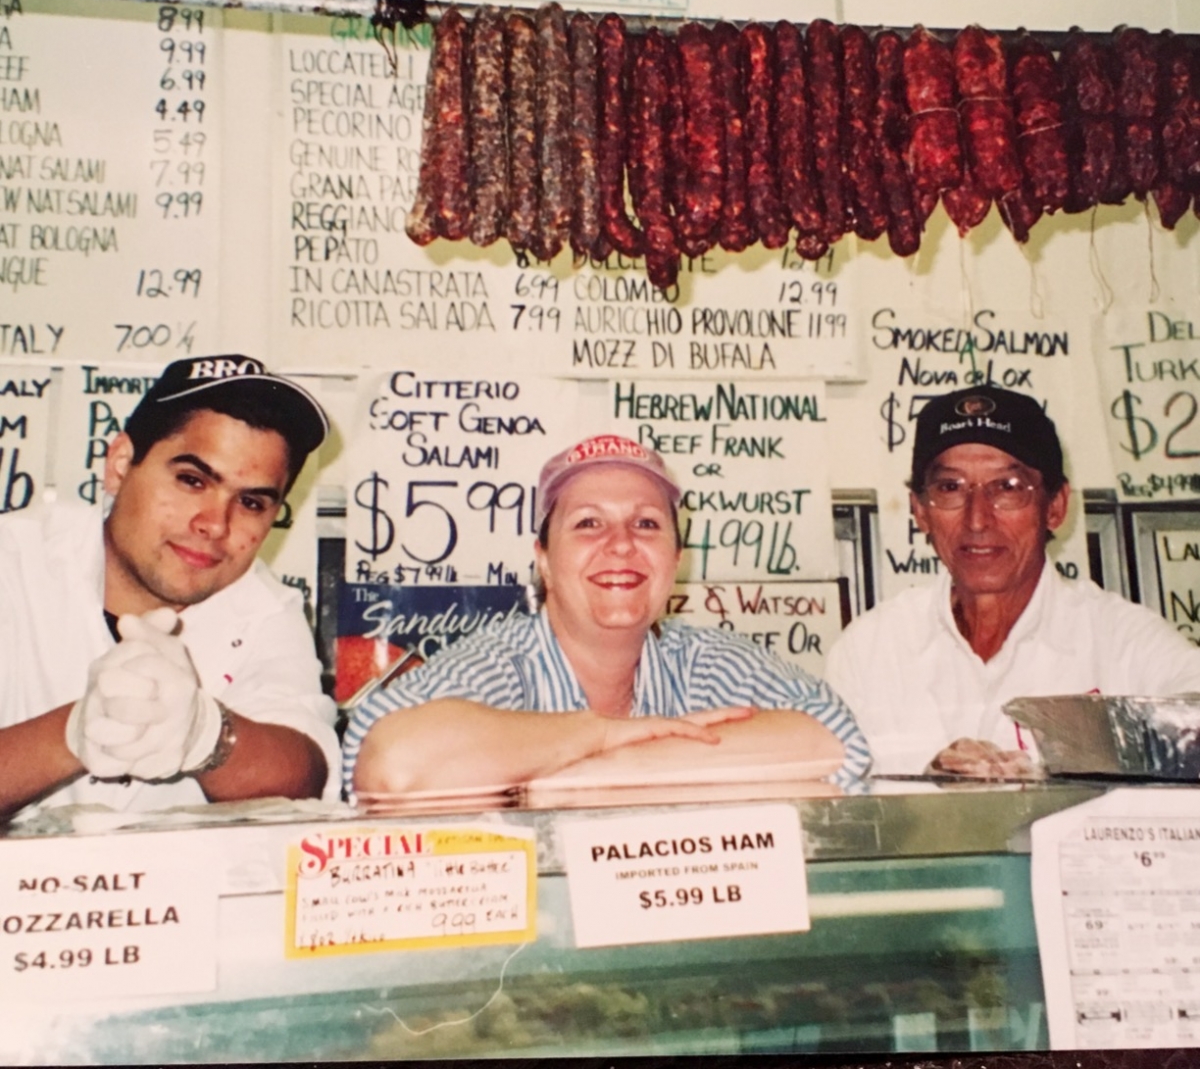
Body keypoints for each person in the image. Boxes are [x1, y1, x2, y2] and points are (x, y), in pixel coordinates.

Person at [344, 434, 870, 797]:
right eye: (588, 523)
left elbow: (838, 743)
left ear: (675, 560)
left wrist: (577, 784)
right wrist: (599, 733)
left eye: (645, 524)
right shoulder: (497, 667)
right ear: (544, 559)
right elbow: (386, 763)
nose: (620, 546)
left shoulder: (710, 663)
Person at [0, 353, 341, 819]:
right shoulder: (14, 561)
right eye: (192, 480)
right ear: (120, 465)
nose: (215, 525)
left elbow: (305, 776)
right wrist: (74, 731)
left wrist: (208, 736)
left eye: (251, 502)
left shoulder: (265, 607)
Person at [824, 384, 1200, 777]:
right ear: (920, 511)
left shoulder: (1123, 642)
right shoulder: (869, 651)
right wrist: (927, 786)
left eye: (1008, 488)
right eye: (950, 488)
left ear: (1055, 506)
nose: (977, 519)